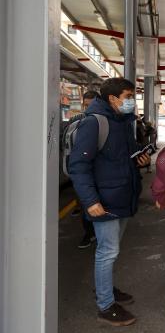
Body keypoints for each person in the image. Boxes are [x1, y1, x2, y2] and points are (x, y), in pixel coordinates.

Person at [68, 78, 151, 327]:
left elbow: (122, 154)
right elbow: (79, 165)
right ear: (113, 99)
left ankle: (105, 290)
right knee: (108, 252)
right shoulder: (95, 123)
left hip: (121, 196)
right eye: (128, 96)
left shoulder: (122, 121)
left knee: (111, 251)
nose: (131, 101)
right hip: (104, 200)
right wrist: (90, 200)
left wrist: (140, 158)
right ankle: (105, 306)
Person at [67, 90, 99, 249]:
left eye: (91, 105)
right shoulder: (77, 121)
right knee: (86, 203)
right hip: (82, 171)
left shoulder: (101, 122)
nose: (88, 109)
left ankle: (93, 232)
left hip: (97, 172)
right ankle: (89, 232)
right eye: (86, 105)